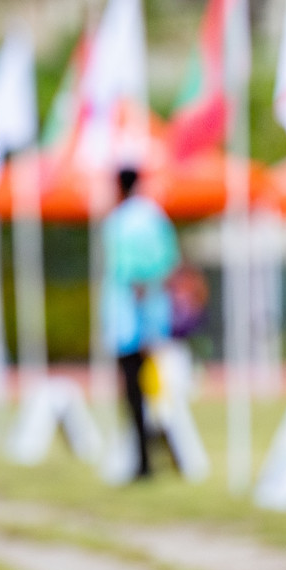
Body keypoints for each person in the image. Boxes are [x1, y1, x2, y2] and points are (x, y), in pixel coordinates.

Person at [102, 166, 181, 481]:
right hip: (155, 317)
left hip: (129, 322)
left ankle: (144, 460)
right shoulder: (155, 216)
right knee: (157, 390)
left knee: (134, 392)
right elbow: (168, 262)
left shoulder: (122, 221)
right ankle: (159, 451)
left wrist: (139, 319)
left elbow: (133, 274)